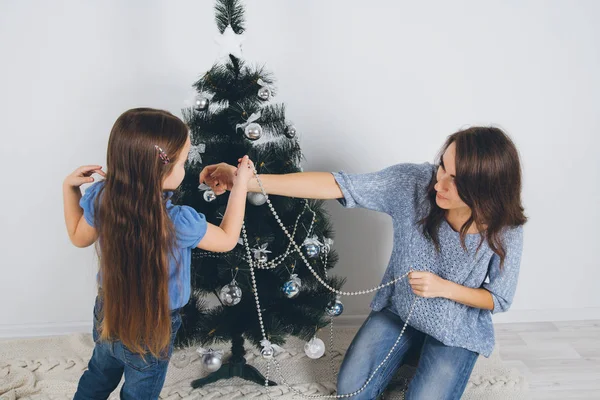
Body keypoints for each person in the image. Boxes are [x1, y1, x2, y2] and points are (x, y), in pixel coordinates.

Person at [200, 126, 526, 399]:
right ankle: (410, 349)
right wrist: (248, 180)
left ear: (484, 188)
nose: (440, 182)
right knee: (351, 390)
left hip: (455, 329)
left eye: (457, 180)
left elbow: (498, 299)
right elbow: (337, 183)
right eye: (443, 166)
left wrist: (445, 289)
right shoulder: (414, 182)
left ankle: (420, 352)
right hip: (399, 311)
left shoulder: (506, 228)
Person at [62, 108, 254, 399]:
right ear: (162, 170)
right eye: (183, 161)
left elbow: (78, 237)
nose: (186, 168)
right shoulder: (178, 220)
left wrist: (68, 188)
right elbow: (227, 239)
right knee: (140, 392)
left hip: (109, 311)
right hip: (155, 324)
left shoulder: (101, 197)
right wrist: (240, 185)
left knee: (99, 374)